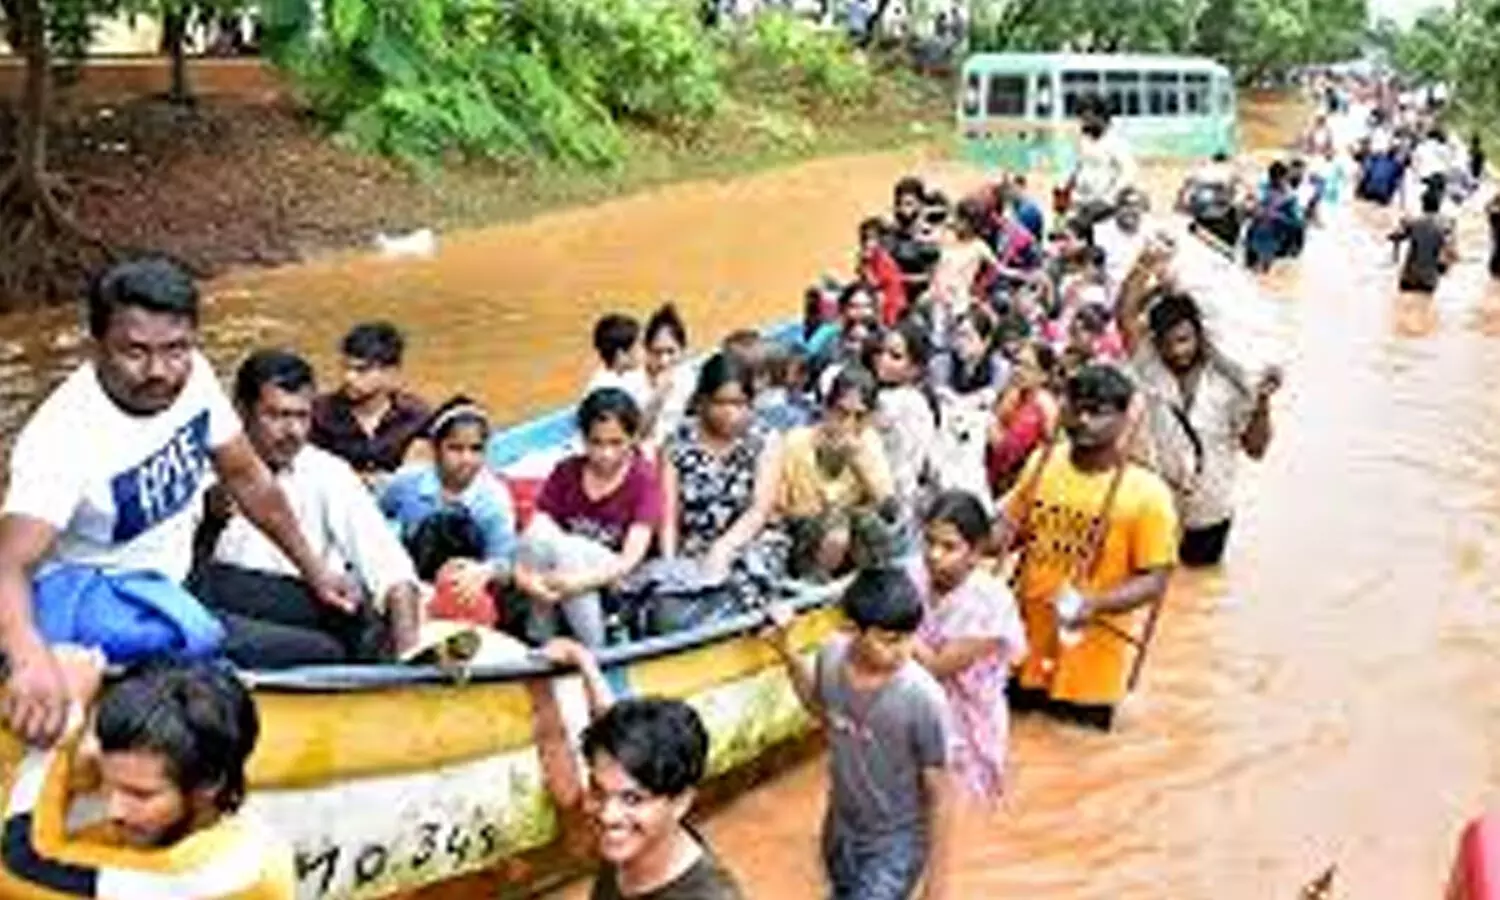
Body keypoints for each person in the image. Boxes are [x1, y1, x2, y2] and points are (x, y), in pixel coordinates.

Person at [0, 258, 354, 747]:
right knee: (322, 654)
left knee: (346, 614)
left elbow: (249, 479)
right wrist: (29, 659)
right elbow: (10, 564)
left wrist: (314, 568)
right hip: (131, 609)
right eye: (135, 352)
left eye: (175, 350)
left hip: (188, 574)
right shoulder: (61, 440)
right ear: (95, 344)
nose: (159, 372)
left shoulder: (194, 378)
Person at [0, 649, 294, 896]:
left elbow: (26, 863)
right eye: (107, 784)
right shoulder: (171, 832)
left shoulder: (231, 870)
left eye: (140, 794)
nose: (115, 810)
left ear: (208, 785)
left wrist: (61, 732)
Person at [197, 350, 424, 667]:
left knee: (360, 625)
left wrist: (410, 658)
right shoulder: (201, 474)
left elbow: (391, 570)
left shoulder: (328, 472)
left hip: (307, 610)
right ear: (241, 412)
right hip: (229, 613)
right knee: (323, 649)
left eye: (301, 417)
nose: (293, 432)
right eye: (276, 416)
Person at [999, 364, 1178, 730]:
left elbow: (1155, 581)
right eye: (1076, 407)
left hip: (1092, 666)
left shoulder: (1148, 494)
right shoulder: (1042, 461)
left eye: (1097, 411)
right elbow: (1010, 530)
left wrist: (1094, 604)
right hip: (1025, 651)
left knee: (1079, 756)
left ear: (1124, 417)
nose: (1082, 420)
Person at [763, 568, 956, 900]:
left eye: (909, 637)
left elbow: (941, 793)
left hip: (896, 843)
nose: (903, 650)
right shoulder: (831, 655)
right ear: (852, 629)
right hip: (840, 826)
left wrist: (937, 888)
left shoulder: (923, 699)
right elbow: (820, 710)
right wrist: (787, 651)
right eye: (889, 640)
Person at [540, 640, 745, 899]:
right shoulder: (641, 842)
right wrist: (584, 664)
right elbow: (610, 734)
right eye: (598, 791)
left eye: (633, 799)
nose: (608, 815)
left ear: (681, 802)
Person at [1118, 289, 1279, 567]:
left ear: (1200, 336)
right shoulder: (1151, 367)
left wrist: (1263, 402)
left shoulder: (1230, 384)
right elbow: (1125, 315)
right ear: (1155, 344)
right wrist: (1155, 281)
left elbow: (1256, 450)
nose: (1177, 352)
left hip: (1209, 511)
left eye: (1184, 340)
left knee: (1200, 580)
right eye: (1167, 344)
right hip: (1158, 506)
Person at [516, 388, 662, 646]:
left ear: (632, 438)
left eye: (616, 443)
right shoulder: (566, 472)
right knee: (538, 538)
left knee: (568, 549)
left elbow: (630, 559)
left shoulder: (644, 479)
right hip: (563, 572)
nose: (606, 454)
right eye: (597, 443)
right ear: (584, 439)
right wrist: (530, 580)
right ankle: (540, 634)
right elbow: (538, 530)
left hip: (617, 580)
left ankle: (594, 646)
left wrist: (577, 583)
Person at [910, 491, 1026, 804]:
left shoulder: (990, 603)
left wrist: (895, 633)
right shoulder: (914, 576)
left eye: (949, 547)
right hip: (917, 709)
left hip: (969, 720)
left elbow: (938, 666)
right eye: (929, 542)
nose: (934, 554)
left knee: (959, 808)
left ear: (975, 553)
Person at [659, 353, 786, 625]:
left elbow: (758, 511)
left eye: (739, 403)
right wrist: (669, 565)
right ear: (702, 401)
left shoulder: (764, 439)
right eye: (721, 403)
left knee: (745, 581)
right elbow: (668, 517)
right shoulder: (677, 442)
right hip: (696, 544)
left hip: (752, 542)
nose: (731, 413)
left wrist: (723, 548)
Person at [379, 396, 524, 628]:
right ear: (435, 449)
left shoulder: (493, 498)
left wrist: (483, 572)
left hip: (466, 588)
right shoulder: (405, 483)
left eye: (476, 449)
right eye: (455, 448)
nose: (466, 459)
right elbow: (374, 523)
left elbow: (505, 561)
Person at [777, 366, 898, 579]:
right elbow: (780, 508)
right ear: (826, 409)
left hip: (853, 542)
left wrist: (858, 463)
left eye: (859, 417)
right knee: (835, 530)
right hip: (804, 534)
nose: (848, 424)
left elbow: (888, 507)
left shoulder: (868, 442)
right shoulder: (795, 443)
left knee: (869, 524)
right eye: (841, 413)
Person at [309, 321, 431, 484]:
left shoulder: (416, 417)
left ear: (390, 373)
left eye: (361, 370)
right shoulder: (319, 414)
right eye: (345, 368)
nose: (349, 377)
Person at [869, 319, 939, 512]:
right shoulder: (882, 394)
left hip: (894, 500)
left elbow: (911, 465)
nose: (883, 360)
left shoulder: (911, 404)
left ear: (915, 368)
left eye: (895, 356)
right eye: (882, 352)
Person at [1066, 93, 1137, 240]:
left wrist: (1109, 199)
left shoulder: (1115, 141)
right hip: (1081, 201)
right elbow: (1080, 166)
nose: (1084, 123)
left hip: (1103, 206)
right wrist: (1069, 185)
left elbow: (1129, 173)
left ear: (1100, 116)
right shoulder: (1084, 139)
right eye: (1082, 119)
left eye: (1088, 119)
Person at [642, 304, 696, 449]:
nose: (664, 361)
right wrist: (658, 397)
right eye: (657, 352)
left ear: (683, 351)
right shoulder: (634, 382)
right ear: (646, 351)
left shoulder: (690, 380)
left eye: (671, 352)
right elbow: (636, 436)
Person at [1390, 187, 1458, 294]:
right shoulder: (1445, 226)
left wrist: (1401, 223)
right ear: (1438, 206)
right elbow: (1453, 254)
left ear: (1423, 205)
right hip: (1429, 280)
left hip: (1409, 277)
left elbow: (1394, 236)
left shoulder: (1414, 222)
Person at [585, 313, 651, 409]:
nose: (645, 349)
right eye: (640, 345)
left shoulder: (631, 374)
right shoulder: (607, 392)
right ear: (621, 355)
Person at [858, 218, 908, 327]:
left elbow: (874, 284)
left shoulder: (882, 258)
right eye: (863, 238)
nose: (866, 242)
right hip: (878, 305)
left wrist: (865, 265)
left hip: (890, 308)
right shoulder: (870, 258)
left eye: (871, 238)